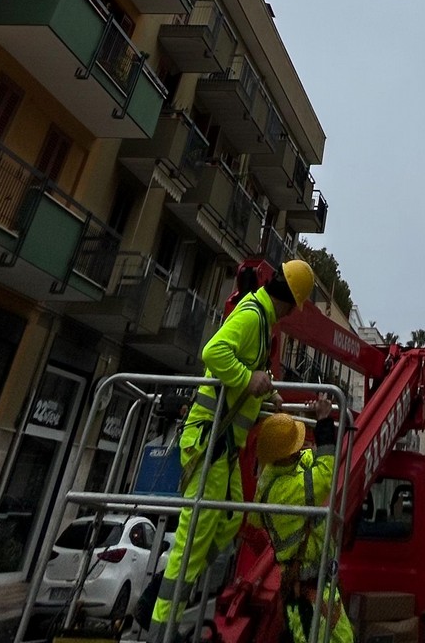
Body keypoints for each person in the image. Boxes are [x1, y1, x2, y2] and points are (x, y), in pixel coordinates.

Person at [149, 259, 315, 641]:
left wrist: (267, 392)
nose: (292, 314)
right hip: (209, 440)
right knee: (197, 532)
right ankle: (161, 623)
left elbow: (248, 371)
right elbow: (214, 352)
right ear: (290, 301)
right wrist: (247, 379)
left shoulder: (261, 323)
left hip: (222, 446)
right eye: (296, 306)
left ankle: (177, 588)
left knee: (229, 521)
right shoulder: (254, 316)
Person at [255, 396, 353, 643]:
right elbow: (325, 475)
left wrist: (319, 424)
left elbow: (314, 457)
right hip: (307, 590)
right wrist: (322, 422)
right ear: (287, 455)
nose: (300, 449)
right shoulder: (283, 491)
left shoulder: (280, 475)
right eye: (295, 446)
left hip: (312, 587)